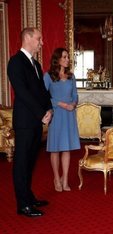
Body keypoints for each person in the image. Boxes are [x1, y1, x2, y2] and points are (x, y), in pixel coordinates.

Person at [7, 27, 53, 217]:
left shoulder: (35, 63)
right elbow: (23, 93)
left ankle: (29, 196)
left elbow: (41, 90)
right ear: (27, 38)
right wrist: (40, 113)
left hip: (36, 120)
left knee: (31, 162)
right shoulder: (15, 62)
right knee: (21, 163)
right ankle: (23, 205)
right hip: (26, 121)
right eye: (39, 39)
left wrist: (49, 108)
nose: (41, 43)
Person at [44, 48, 80, 192]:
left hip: (69, 116)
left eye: (67, 57)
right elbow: (44, 97)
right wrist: (61, 104)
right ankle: (56, 178)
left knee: (66, 148)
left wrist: (73, 104)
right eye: (64, 57)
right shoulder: (48, 76)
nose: (67, 59)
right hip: (57, 114)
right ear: (57, 59)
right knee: (55, 148)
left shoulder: (71, 76)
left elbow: (75, 95)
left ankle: (64, 180)